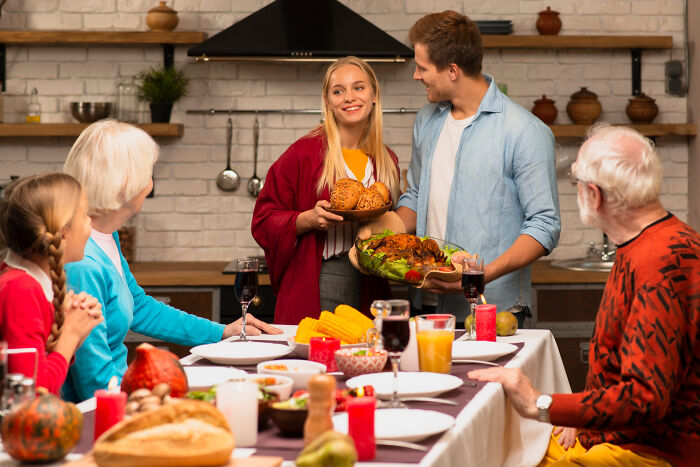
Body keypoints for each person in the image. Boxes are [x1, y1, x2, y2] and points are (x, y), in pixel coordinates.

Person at [470, 125, 700, 467]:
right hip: (615, 435)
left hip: (650, 452)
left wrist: (542, 404)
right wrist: (583, 415)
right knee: (505, 448)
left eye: (577, 185)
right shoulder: (651, 240)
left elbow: (644, 399)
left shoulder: (657, 261)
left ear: (594, 194)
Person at [62, 120, 281, 402]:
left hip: (118, 397)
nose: (151, 183)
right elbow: (93, 381)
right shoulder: (82, 261)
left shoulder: (105, 236)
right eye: (149, 173)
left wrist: (221, 331)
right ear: (128, 182)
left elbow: (139, 307)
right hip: (100, 412)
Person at [395, 11, 560, 321]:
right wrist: (384, 230)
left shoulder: (525, 131)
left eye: (422, 68)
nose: (416, 76)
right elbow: (417, 194)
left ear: (453, 70)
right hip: (424, 301)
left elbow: (545, 225)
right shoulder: (426, 120)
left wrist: (478, 276)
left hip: (489, 307)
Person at [252, 56, 400, 324]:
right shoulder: (304, 153)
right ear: (328, 101)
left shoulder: (387, 160)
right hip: (323, 278)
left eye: (359, 87)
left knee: (369, 362)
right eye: (338, 91)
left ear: (374, 94)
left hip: (373, 283)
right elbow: (263, 220)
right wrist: (308, 219)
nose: (349, 97)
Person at [0, 173, 103, 395]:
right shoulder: (20, 290)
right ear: (62, 233)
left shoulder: (26, 283)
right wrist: (71, 334)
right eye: (84, 215)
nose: (90, 223)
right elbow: (34, 393)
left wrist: (72, 326)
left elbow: (42, 365)